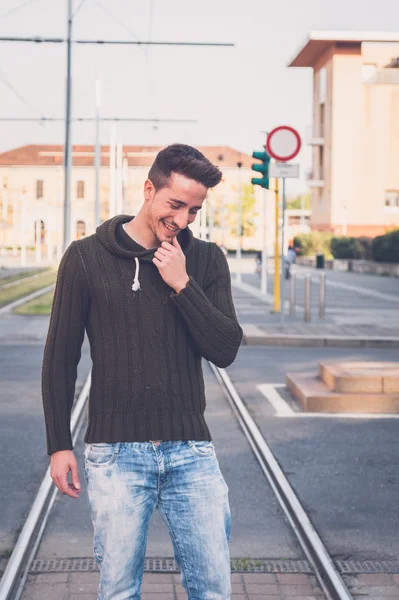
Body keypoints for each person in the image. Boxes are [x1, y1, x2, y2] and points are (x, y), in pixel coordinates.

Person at [41, 143, 243, 600]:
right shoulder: (86, 258)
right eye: (175, 204)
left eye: (194, 210)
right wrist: (58, 445)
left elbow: (225, 349)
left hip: (191, 452)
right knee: (118, 591)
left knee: (212, 589)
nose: (184, 219)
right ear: (149, 189)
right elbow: (60, 358)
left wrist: (182, 284)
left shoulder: (207, 261)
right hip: (114, 454)